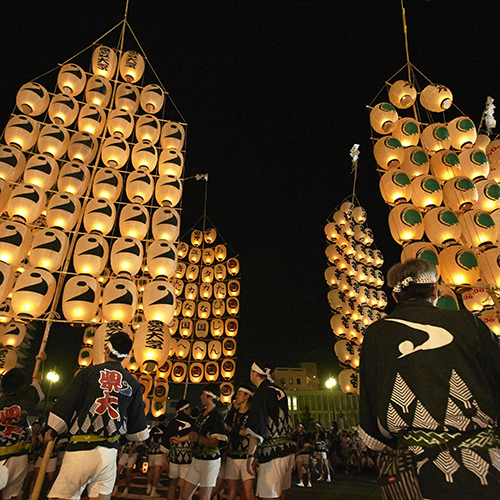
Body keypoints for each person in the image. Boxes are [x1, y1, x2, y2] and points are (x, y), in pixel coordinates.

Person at [359, 258, 500, 500]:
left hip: (417, 471)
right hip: (486, 464)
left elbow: (371, 400)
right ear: (435, 290)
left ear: (395, 296)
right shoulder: (468, 322)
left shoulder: (378, 333)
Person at [45, 331, 149, 500]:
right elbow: (137, 425)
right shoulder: (132, 382)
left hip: (80, 448)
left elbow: (68, 402)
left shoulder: (88, 373)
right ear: (126, 356)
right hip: (109, 453)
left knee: (63, 496)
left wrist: (53, 430)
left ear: (107, 349)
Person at [246, 361, 295, 500]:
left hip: (273, 454)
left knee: (270, 496)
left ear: (255, 373)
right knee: (281, 495)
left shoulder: (262, 392)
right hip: (287, 449)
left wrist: (250, 455)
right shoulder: (278, 390)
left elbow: (257, 426)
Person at [0, 368, 44, 500]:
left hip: (2, 456)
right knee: (12, 496)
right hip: (20, 458)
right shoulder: (27, 398)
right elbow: (37, 381)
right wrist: (40, 360)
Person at [181, 384, 227, 500]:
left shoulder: (216, 415)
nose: (201, 397)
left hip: (210, 461)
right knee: (185, 494)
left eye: (203, 394)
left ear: (210, 397)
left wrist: (200, 439)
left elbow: (218, 442)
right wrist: (179, 440)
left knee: (204, 497)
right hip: (196, 458)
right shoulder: (202, 413)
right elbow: (194, 434)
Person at [225, 385, 256, 500]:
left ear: (247, 396)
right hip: (231, 455)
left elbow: (250, 432)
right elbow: (225, 428)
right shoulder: (232, 413)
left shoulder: (252, 414)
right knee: (232, 491)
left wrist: (232, 430)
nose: (236, 396)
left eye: (239, 394)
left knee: (248, 493)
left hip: (245, 456)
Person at [164, 399, 194, 500]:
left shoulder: (172, 422)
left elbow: (165, 441)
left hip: (173, 456)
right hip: (187, 457)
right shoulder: (192, 422)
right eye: (188, 409)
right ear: (185, 409)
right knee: (183, 484)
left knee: (172, 483)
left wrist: (164, 458)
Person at [145, 415, 168, 497]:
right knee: (157, 472)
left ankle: (148, 488)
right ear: (165, 420)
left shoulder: (153, 429)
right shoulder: (166, 430)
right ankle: (153, 491)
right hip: (160, 452)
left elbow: (147, 440)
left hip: (151, 452)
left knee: (150, 471)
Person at [291, 423, 312, 488]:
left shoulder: (306, 436)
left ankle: (309, 481)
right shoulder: (296, 436)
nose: (298, 428)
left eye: (299, 427)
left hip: (305, 453)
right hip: (299, 453)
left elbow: (307, 445)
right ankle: (301, 481)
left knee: (306, 467)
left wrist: (299, 451)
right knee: (299, 467)